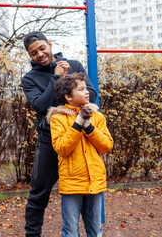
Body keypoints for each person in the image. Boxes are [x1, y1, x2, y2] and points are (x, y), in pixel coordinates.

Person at [21, 31, 97, 237]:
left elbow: (91, 94)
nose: (40, 54)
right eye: (33, 52)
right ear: (30, 56)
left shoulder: (74, 66)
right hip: (49, 141)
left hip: (78, 137)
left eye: (42, 48)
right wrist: (56, 77)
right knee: (38, 194)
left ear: (50, 45)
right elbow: (41, 106)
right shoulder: (29, 79)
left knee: (87, 192)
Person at [47, 72, 113, 237]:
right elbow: (62, 148)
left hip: (94, 181)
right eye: (81, 89)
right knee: (70, 231)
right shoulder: (58, 119)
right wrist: (78, 124)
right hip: (72, 183)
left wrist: (89, 127)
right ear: (69, 96)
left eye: (86, 88)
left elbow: (106, 146)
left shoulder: (97, 117)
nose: (87, 92)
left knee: (95, 230)